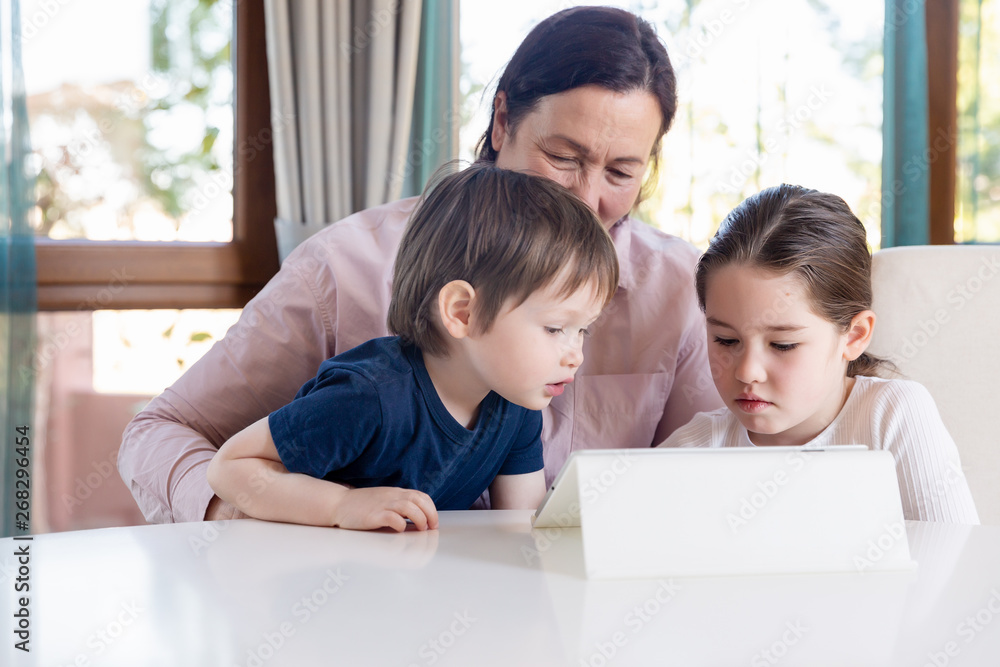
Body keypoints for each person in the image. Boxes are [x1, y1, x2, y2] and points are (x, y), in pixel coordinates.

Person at [118, 6, 724, 524]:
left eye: (621, 172)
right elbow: (160, 431)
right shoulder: (345, 269)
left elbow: (708, 477)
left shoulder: (680, 290)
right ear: (503, 120)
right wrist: (252, 513)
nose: (587, 200)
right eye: (563, 157)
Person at [206, 164, 619, 531]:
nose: (575, 355)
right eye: (554, 328)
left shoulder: (515, 404)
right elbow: (230, 468)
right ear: (462, 313)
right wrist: (341, 504)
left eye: (583, 330)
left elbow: (522, 530)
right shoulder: (369, 396)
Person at [657, 184, 980, 524]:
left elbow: (958, 562)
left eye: (782, 345)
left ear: (854, 336)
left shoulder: (892, 417)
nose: (747, 372)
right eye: (725, 340)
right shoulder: (698, 448)